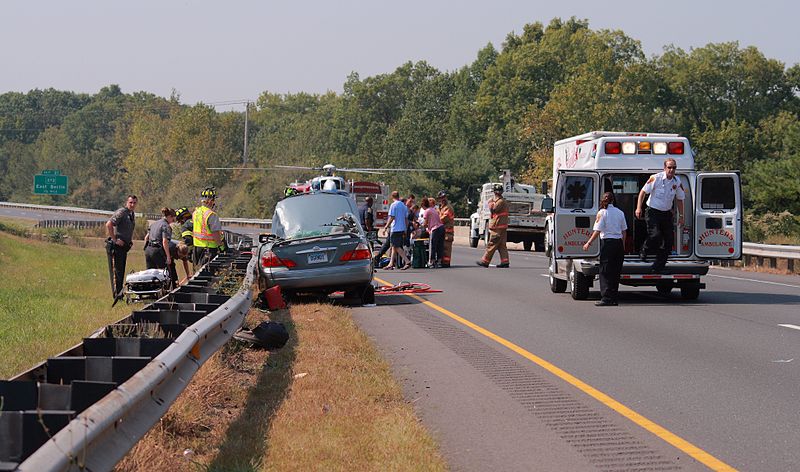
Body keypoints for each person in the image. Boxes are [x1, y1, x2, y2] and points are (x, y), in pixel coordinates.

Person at [635, 158, 685, 273]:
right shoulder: (655, 178)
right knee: (655, 235)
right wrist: (638, 208)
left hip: (666, 214)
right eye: (669, 167)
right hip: (653, 212)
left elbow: (680, 199)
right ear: (664, 168)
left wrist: (681, 216)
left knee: (669, 240)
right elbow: (643, 192)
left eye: (674, 167)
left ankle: (658, 266)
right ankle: (644, 249)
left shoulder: (677, 182)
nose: (672, 170)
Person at [584, 192, 628, 306]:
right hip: (618, 243)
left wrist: (588, 243)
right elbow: (624, 231)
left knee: (605, 271)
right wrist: (622, 245)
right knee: (615, 272)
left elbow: (597, 231)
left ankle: (606, 298)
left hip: (608, 243)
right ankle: (613, 298)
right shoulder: (620, 213)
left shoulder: (602, 213)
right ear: (613, 200)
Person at [105, 195, 137, 299]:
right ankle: (116, 296)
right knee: (116, 273)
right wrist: (115, 240)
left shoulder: (131, 214)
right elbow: (109, 224)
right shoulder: (122, 212)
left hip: (124, 247)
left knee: (121, 271)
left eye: (134, 203)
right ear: (127, 202)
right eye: (130, 202)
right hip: (116, 247)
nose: (132, 205)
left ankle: (119, 294)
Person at [476, 184, 510, 268]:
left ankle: (485, 261)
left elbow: (494, 209)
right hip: (502, 227)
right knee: (502, 245)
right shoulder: (502, 201)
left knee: (492, 244)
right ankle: (505, 261)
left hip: (497, 227)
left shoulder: (500, 202)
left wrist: (490, 202)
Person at [192, 187, 224, 266]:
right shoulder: (211, 215)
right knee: (208, 273)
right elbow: (215, 233)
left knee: (198, 272)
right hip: (208, 249)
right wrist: (221, 246)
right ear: (210, 201)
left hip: (196, 248)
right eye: (213, 200)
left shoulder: (196, 212)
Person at [382, 190, 411, 270]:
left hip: (395, 228)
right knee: (394, 246)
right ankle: (391, 263)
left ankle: (407, 261)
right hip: (402, 228)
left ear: (392, 197)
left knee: (396, 246)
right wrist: (405, 228)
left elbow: (392, 217)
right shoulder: (404, 206)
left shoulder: (393, 205)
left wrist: (385, 227)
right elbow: (406, 219)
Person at [145, 207, 176, 272]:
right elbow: (165, 241)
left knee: (150, 274)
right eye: (173, 219)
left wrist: (146, 249)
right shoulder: (166, 226)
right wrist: (168, 256)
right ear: (170, 216)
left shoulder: (154, 223)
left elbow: (146, 238)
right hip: (157, 251)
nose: (173, 221)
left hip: (148, 250)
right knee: (164, 273)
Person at [422, 197, 444, 267]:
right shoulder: (434, 210)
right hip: (441, 228)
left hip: (435, 229)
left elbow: (425, 223)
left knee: (432, 246)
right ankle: (439, 261)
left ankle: (431, 261)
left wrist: (421, 226)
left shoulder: (427, 211)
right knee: (440, 246)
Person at [437, 190, 455, 267]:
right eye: (441, 198)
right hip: (442, 231)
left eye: (444, 197)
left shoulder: (448, 208)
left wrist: (436, 220)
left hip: (448, 232)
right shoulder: (441, 207)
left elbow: (443, 219)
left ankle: (446, 263)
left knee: (446, 249)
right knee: (442, 248)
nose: (443, 199)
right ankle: (442, 262)